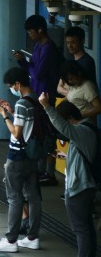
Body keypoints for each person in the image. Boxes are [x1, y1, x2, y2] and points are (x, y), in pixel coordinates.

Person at [0, 68, 43, 253]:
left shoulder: (21, 104)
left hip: (17, 156)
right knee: (33, 197)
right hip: (32, 156)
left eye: (11, 86)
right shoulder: (36, 100)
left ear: (18, 84)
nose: (12, 89)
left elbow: (17, 133)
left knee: (14, 198)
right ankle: (33, 237)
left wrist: (4, 116)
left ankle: (11, 240)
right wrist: (11, 112)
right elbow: (27, 126)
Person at [40, 94, 97, 257]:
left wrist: (46, 106)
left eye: (65, 121)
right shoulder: (87, 130)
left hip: (79, 188)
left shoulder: (82, 130)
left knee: (81, 229)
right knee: (86, 228)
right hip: (85, 186)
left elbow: (63, 127)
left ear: (71, 118)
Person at [15, 14, 60, 98]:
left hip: (45, 93)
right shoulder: (38, 44)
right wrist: (22, 60)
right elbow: (32, 67)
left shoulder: (48, 48)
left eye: (30, 32)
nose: (29, 35)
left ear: (39, 30)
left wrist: (27, 64)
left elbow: (37, 73)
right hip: (35, 89)